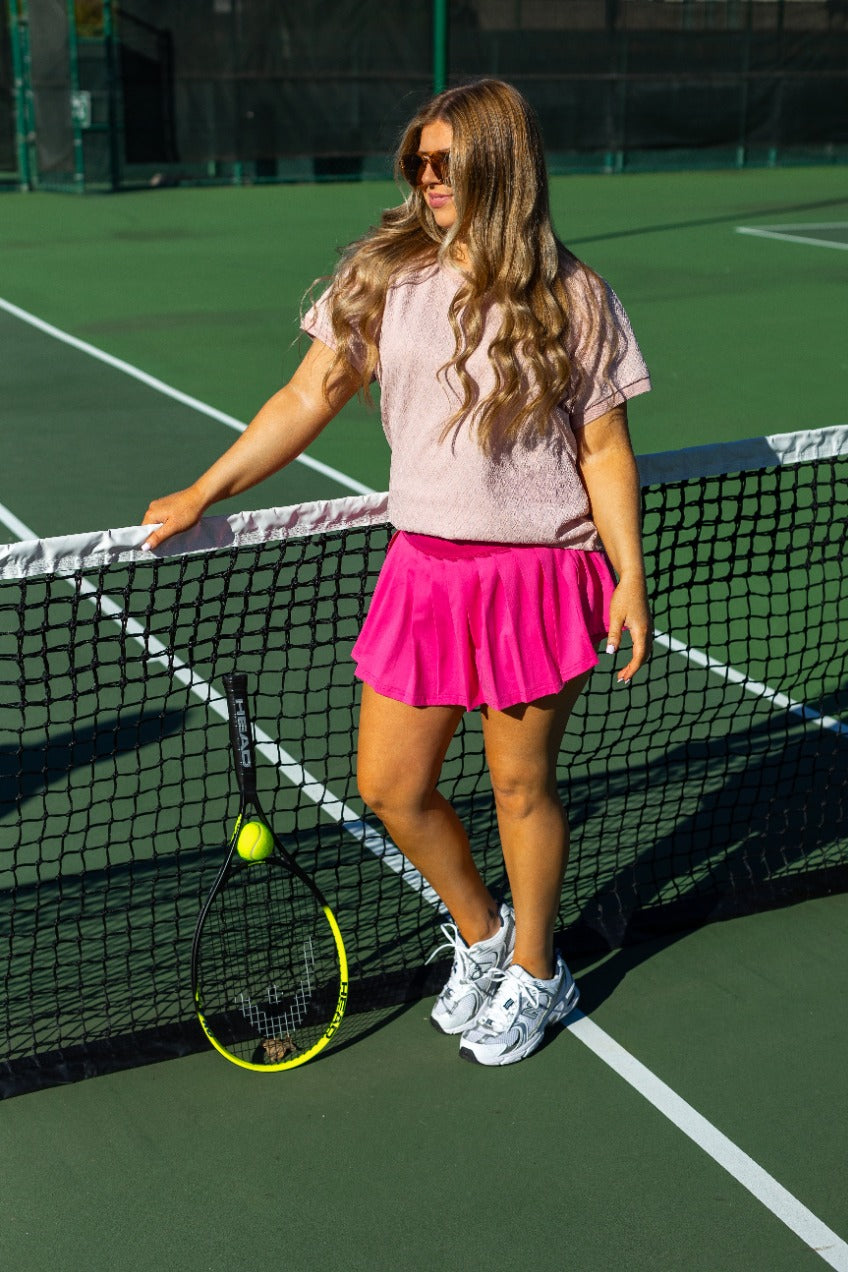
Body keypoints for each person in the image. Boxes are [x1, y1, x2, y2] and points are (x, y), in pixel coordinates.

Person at [143, 79, 652, 1067]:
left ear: (498, 168)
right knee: (388, 786)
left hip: (536, 578)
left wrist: (627, 574)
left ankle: (539, 971)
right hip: (422, 572)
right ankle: (481, 930)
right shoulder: (382, 279)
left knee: (519, 789)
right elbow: (305, 394)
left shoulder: (574, 298)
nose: (425, 181)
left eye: (444, 165)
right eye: (415, 164)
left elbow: (603, 451)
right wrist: (205, 489)